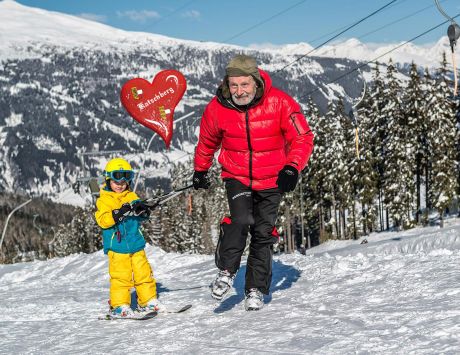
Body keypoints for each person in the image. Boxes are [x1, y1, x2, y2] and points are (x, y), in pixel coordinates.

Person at [193, 54, 314, 311]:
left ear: (256, 81)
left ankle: (255, 288)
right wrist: (200, 170)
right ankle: (227, 270)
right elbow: (207, 141)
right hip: (237, 176)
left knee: (262, 232)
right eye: (234, 85)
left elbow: (303, 137)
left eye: (244, 84)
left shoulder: (280, 103)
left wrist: (292, 168)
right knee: (241, 220)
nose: (239, 91)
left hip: (272, 179)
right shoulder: (217, 108)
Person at [94, 157, 164, 318]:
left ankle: (147, 301)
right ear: (108, 179)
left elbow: (140, 217)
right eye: (117, 179)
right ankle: (119, 306)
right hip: (117, 247)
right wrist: (118, 213)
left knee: (144, 274)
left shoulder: (131, 196)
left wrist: (145, 210)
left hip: (135, 244)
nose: (121, 184)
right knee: (121, 277)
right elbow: (103, 221)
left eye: (125, 179)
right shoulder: (104, 200)